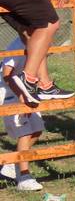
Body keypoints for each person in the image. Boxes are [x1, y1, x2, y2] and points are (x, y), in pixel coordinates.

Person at [0, 38, 45, 191]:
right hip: (8, 91)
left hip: (25, 90)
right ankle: (24, 177)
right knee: (24, 132)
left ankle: (11, 163)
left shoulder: (39, 41)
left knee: (37, 129)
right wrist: (20, 95)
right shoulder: (18, 45)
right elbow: (6, 74)